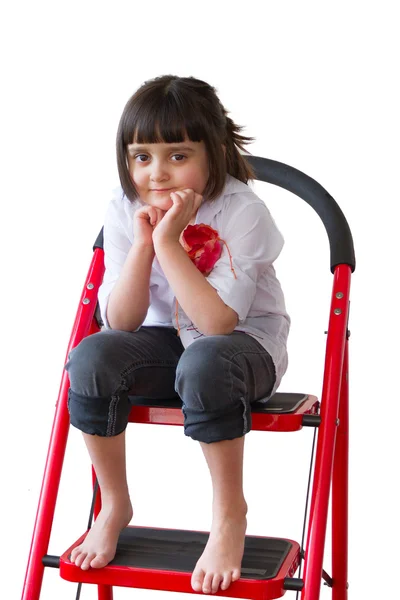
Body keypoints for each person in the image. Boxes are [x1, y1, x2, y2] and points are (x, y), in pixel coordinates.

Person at [65, 74, 290, 595]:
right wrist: (144, 242)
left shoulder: (243, 211)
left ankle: (229, 512)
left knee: (205, 361)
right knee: (92, 356)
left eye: (178, 155)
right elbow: (120, 322)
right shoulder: (123, 210)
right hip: (164, 344)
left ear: (213, 153)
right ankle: (114, 502)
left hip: (241, 349)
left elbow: (216, 326)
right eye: (141, 157)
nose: (157, 173)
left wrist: (169, 241)